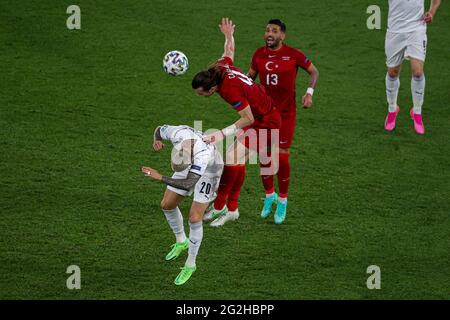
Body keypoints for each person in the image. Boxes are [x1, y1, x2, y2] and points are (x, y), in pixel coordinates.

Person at [192, 17, 281, 227]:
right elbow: (229, 51)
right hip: (261, 114)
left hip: (266, 121)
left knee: (231, 158)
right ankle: (232, 209)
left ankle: (221, 205)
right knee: (235, 160)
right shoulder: (220, 68)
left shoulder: (229, 90)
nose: (200, 96)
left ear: (212, 89)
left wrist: (220, 134)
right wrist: (228, 35)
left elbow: (247, 118)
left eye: (202, 94)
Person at [248, 19, 319, 224]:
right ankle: (269, 195)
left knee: (283, 156)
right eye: (267, 30)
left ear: (282, 36)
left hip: (286, 114)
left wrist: (309, 93)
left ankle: (283, 200)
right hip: (263, 113)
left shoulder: (294, 54)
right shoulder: (259, 54)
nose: (269, 33)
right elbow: (250, 77)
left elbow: (314, 71)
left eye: (274, 31)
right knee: (263, 154)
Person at [141, 124, 223, 285]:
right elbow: (158, 129)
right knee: (167, 204)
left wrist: (160, 177)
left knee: (194, 217)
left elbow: (187, 184)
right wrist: (156, 140)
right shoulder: (177, 134)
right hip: (190, 168)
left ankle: (190, 264)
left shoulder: (202, 155)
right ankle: (181, 241)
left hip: (210, 171)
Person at [384, 0, 441, 134]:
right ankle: (392, 109)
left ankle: (417, 112)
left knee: (417, 72)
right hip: (394, 30)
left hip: (417, 29)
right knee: (392, 73)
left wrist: (432, 12)